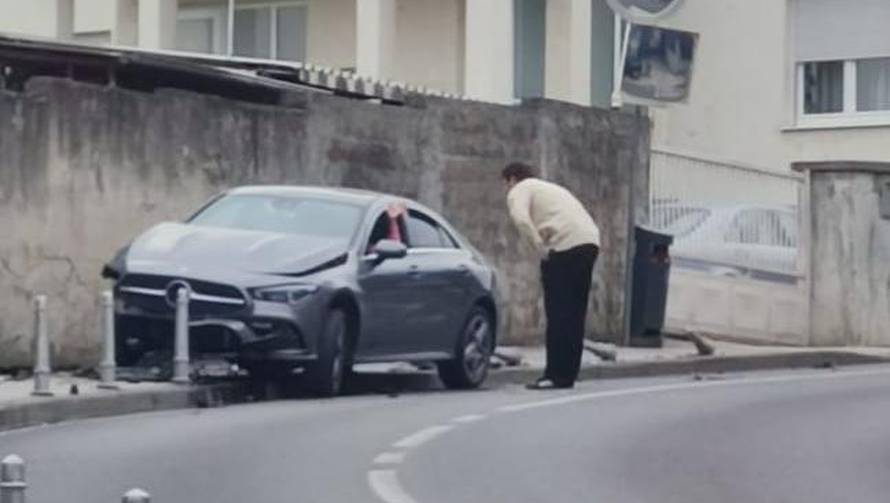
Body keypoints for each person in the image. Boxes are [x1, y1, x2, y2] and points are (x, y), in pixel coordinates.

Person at [502, 162, 600, 390]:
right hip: (589, 241)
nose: (506, 190)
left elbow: (521, 218)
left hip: (564, 245)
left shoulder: (521, 188)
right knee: (575, 313)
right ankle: (568, 374)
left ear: (512, 179)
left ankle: (554, 375)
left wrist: (540, 248)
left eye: (505, 185)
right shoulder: (548, 188)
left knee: (558, 312)